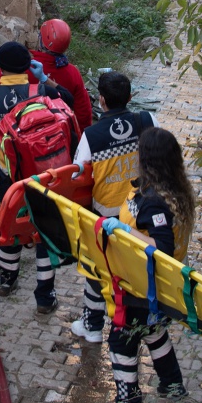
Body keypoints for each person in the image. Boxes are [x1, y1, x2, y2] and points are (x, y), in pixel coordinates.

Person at [0, 41, 77, 308]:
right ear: (29, 65)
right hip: (43, 176)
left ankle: (6, 281)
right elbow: (70, 100)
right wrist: (46, 79)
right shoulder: (41, 90)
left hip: (8, 179)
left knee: (8, 227)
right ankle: (45, 296)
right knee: (44, 232)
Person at [106, 125, 193, 403]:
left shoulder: (156, 200)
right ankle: (172, 383)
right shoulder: (170, 190)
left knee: (122, 341)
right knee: (154, 330)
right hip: (158, 285)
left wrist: (125, 231)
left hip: (143, 286)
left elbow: (163, 248)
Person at [69, 71, 156, 343]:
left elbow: (75, 174)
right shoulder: (147, 120)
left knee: (97, 270)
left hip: (107, 218)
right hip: (143, 214)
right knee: (138, 270)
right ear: (130, 97)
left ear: (101, 100)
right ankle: (137, 325)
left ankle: (93, 326)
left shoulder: (91, 135)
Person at [0, 19, 95, 129]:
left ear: (41, 41)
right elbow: (83, 113)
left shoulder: (25, 67)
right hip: (58, 133)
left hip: (18, 130)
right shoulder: (73, 73)